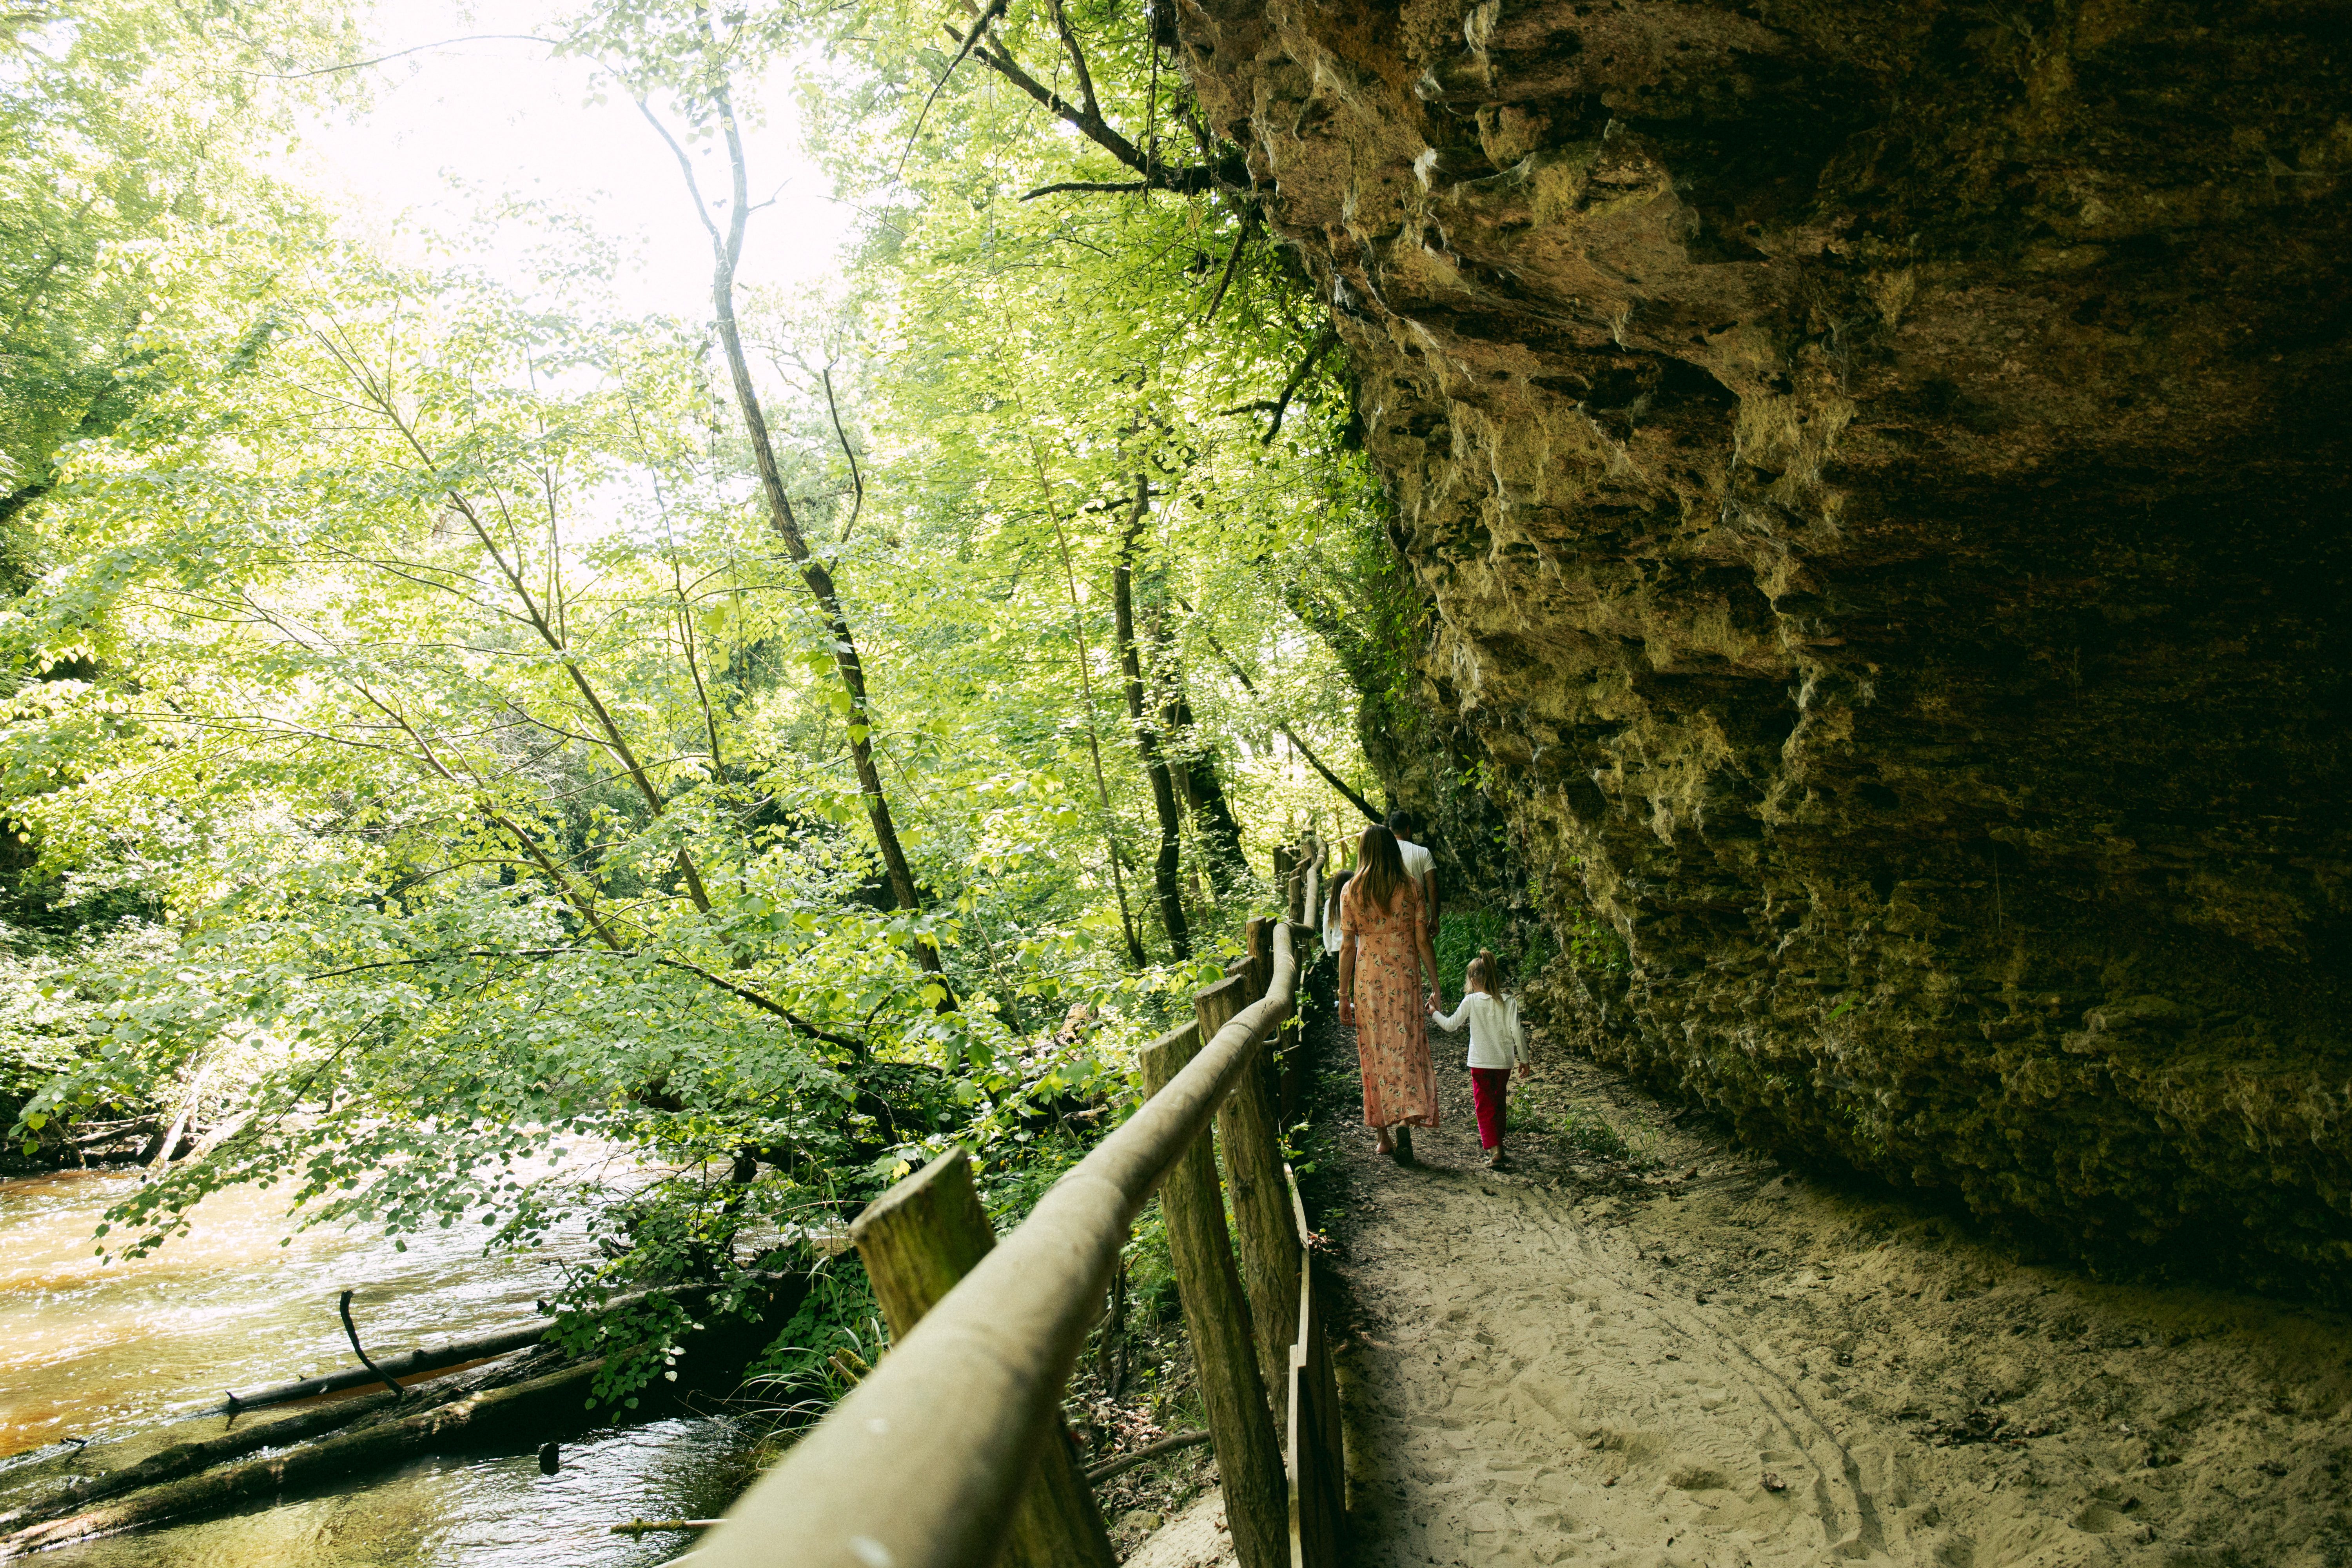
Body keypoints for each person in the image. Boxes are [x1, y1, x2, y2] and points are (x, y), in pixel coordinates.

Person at [1337, 825, 1443, 1159]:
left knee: (1374, 1052)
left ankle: (1384, 1136)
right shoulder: (1411, 887)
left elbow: (1346, 946)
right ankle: (1404, 1125)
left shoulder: (1350, 891)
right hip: (1404, 979)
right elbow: (1423, 939)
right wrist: (1437, 986)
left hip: (1369, 982)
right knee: (1405, 1048)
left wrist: (1343, 995)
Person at [1429, 950, 1528, 1169]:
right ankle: (1499, 1144)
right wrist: (1525, 1059)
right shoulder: (1509, 1001)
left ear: (1473, 980)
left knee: (1484, 1106)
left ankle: (1495, 1151)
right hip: (1503, 1063)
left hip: (1480, 1063)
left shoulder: (1471, 1001)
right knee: (1499, 1104)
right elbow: (1519, 1032)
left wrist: (1434, 1012)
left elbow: (1451, 1025)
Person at [1387, 808, 1439, 939]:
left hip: (1387, 915)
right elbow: (1433, 889)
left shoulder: (1382, 853)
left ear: (1390, 829)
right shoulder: (1423, 852)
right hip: (1416, 916)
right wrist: (1434, 918)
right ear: (1408, 829)